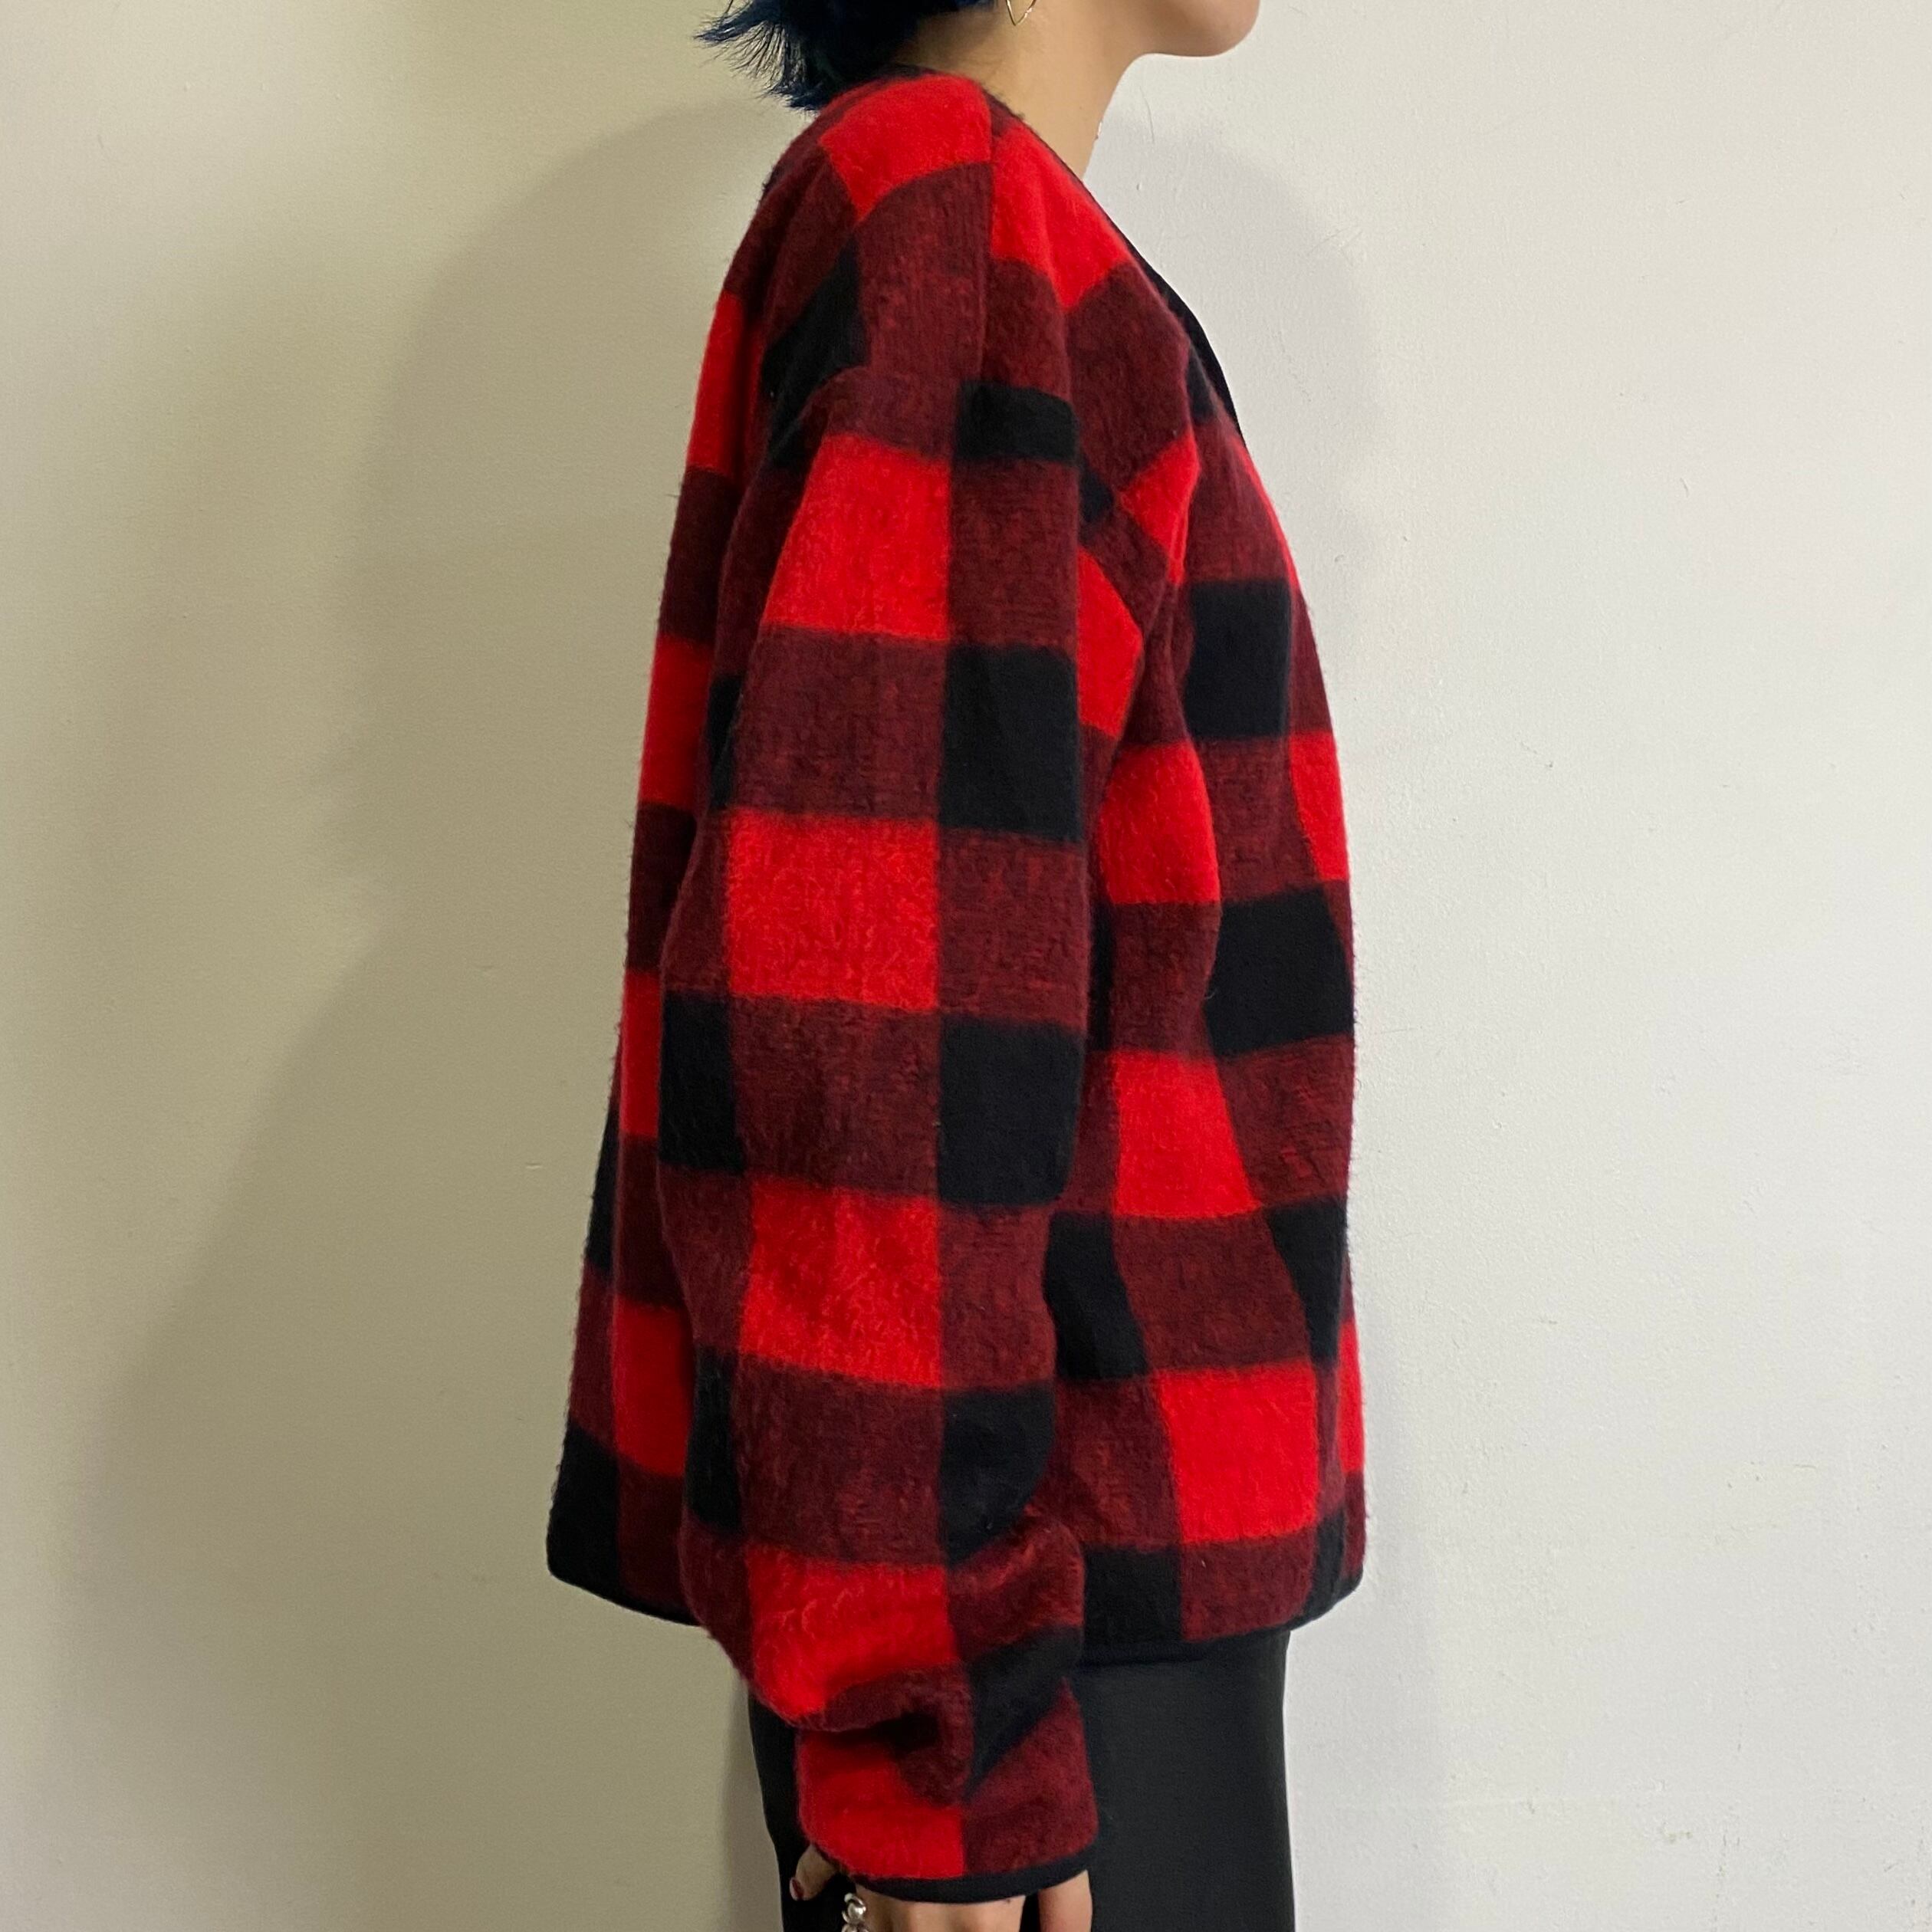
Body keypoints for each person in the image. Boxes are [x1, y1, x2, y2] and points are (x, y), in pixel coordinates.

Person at [544, 4, 1368, 1927]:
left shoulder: (984, 229)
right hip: (1039, 1613)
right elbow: (868, 1003)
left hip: (1055, 1578)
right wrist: (941, 1725)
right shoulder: (950, 215)